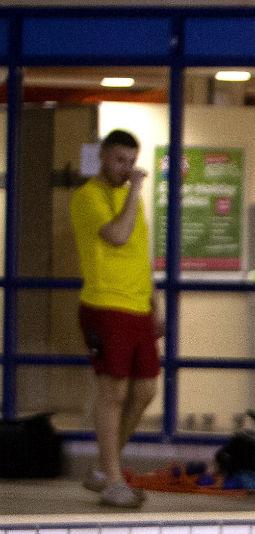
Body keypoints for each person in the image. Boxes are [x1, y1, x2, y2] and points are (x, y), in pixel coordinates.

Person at [69, 129, 161, 509]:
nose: (127, 169)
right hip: (105, 306)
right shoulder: (87, 197)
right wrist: (137, 192)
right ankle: (114, 480)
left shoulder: (128, 199)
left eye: (131, 161)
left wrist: (155, 302)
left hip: (138, 307)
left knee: (145, 391)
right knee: (114, 392)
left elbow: (140, 252)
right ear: (103, 157)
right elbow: (119, 237)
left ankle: (105, 468)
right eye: (120, 160)